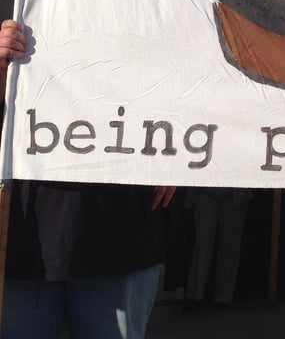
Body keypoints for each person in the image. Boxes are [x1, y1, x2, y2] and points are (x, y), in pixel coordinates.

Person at [0, 19, 175, 339]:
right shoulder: (22, 12)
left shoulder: (154, 15)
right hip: (25, 244)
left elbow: (188, 83)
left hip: (121, 240)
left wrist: (181, 152)